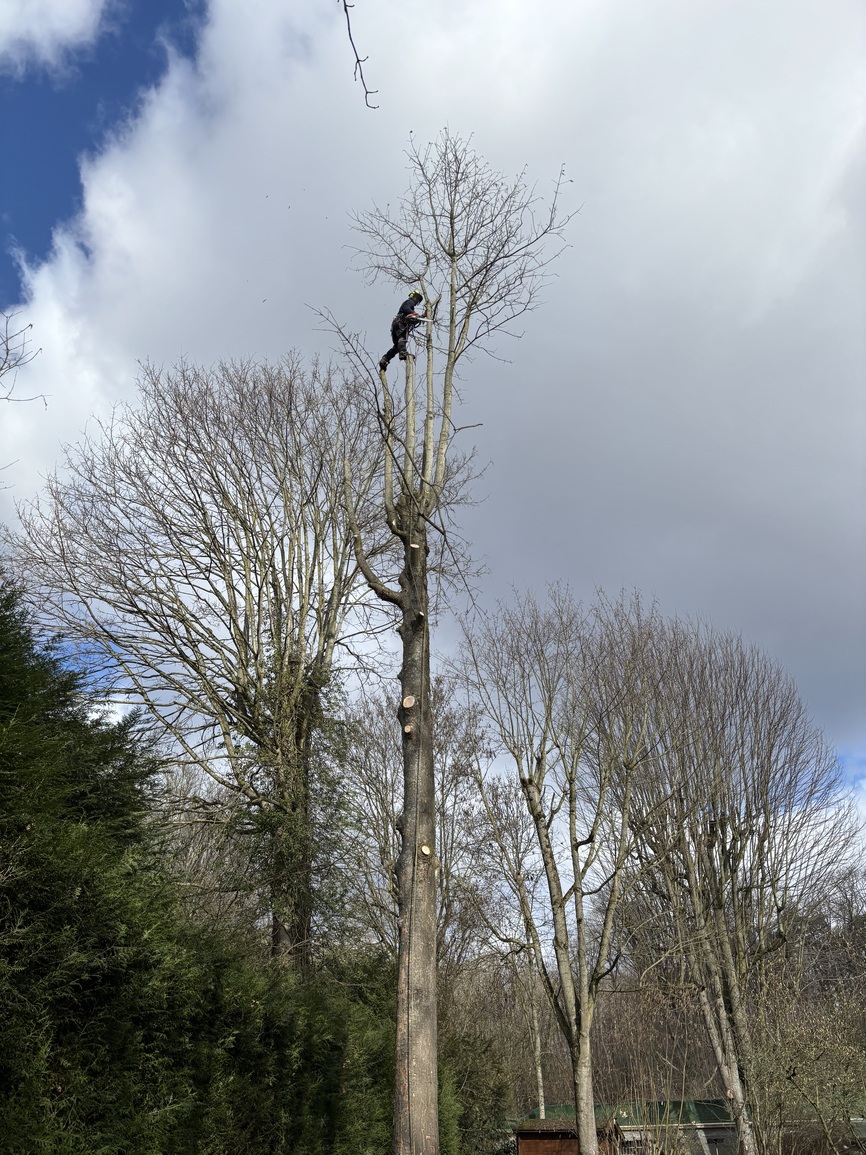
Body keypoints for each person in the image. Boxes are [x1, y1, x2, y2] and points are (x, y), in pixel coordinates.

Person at [379, 290, 425, 371]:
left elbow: (412, 318)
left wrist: (421, 316)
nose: (416, 300)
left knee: (397, 346)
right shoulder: (410, 302)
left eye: (418, 299)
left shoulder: (410, 307)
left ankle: (385, 359)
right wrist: (414, 313)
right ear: (412, 296)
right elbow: (406, 308)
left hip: (396, 326)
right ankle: (403, 352)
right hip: (400, 323)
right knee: (402, 339)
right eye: (416, 297)